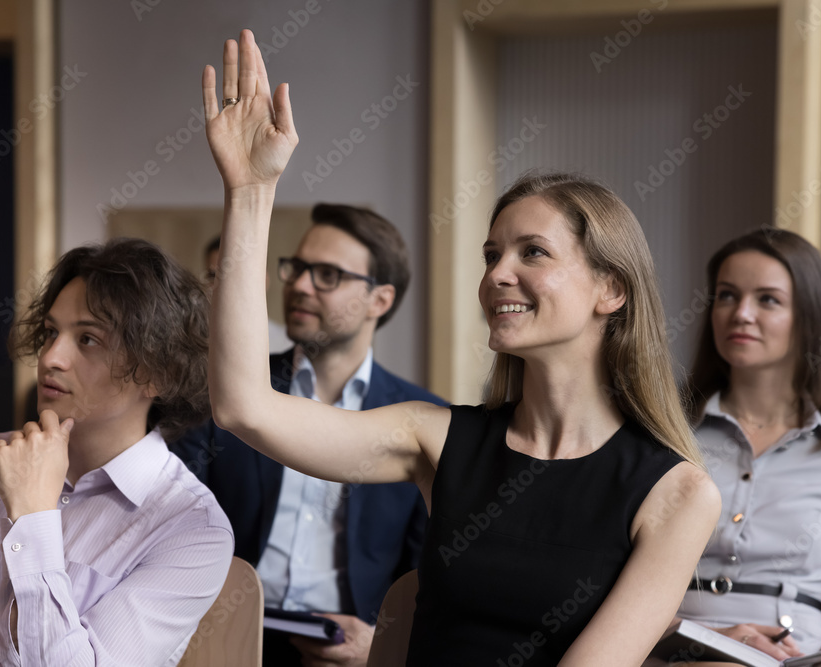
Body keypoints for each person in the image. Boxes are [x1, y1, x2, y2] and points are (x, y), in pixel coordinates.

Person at [201, 30, 720, 666]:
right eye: (492, 255)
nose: (498, 274)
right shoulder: (437, 438)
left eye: (533, 252)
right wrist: (250, 193)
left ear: (609, 289)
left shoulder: (679, 493)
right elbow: (243, 407)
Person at [0, 239, 234, 665]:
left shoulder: (193, 529)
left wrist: (32, 516)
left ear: (159, 373)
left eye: (87, 339)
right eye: (51, 332)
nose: (51, 357)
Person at [173, 205, 446, 666]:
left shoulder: (421, 421)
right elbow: (171, 517)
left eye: (327, 275)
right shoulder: (223, 393)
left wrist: (380, 642)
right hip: (227, 638)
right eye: (297, 268)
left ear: (380, 300)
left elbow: (430, 573)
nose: (299, 285)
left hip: (350, 649)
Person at [674, 228, 821, 665]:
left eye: (768, 299)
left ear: (808, 318)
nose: (741, 313)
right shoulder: (664, 430)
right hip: (669, 645)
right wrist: (706, 638)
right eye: (726, 296)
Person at [203, 234, 292, 353]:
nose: (224, 289)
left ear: (264, 281)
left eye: (235, 276)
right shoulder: (192, 344)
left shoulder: (287, 346)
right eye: (213, 277)